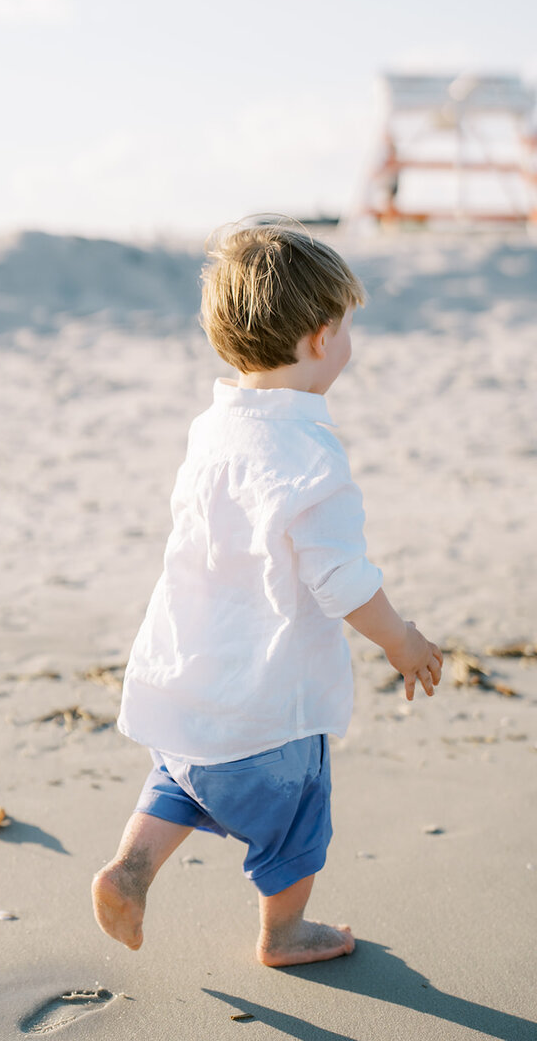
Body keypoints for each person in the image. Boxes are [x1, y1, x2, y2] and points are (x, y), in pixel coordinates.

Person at [91, 215, 443, 968]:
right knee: (296, 826)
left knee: (179, 780)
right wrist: (402, 641)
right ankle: (283, 932)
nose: (348, 343)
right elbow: (341, 578)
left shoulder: (212, 431)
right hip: (268, 706)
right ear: (321, 339)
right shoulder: (311, 454)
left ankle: (131, 869)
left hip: (188, 686)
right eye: (347, 328)